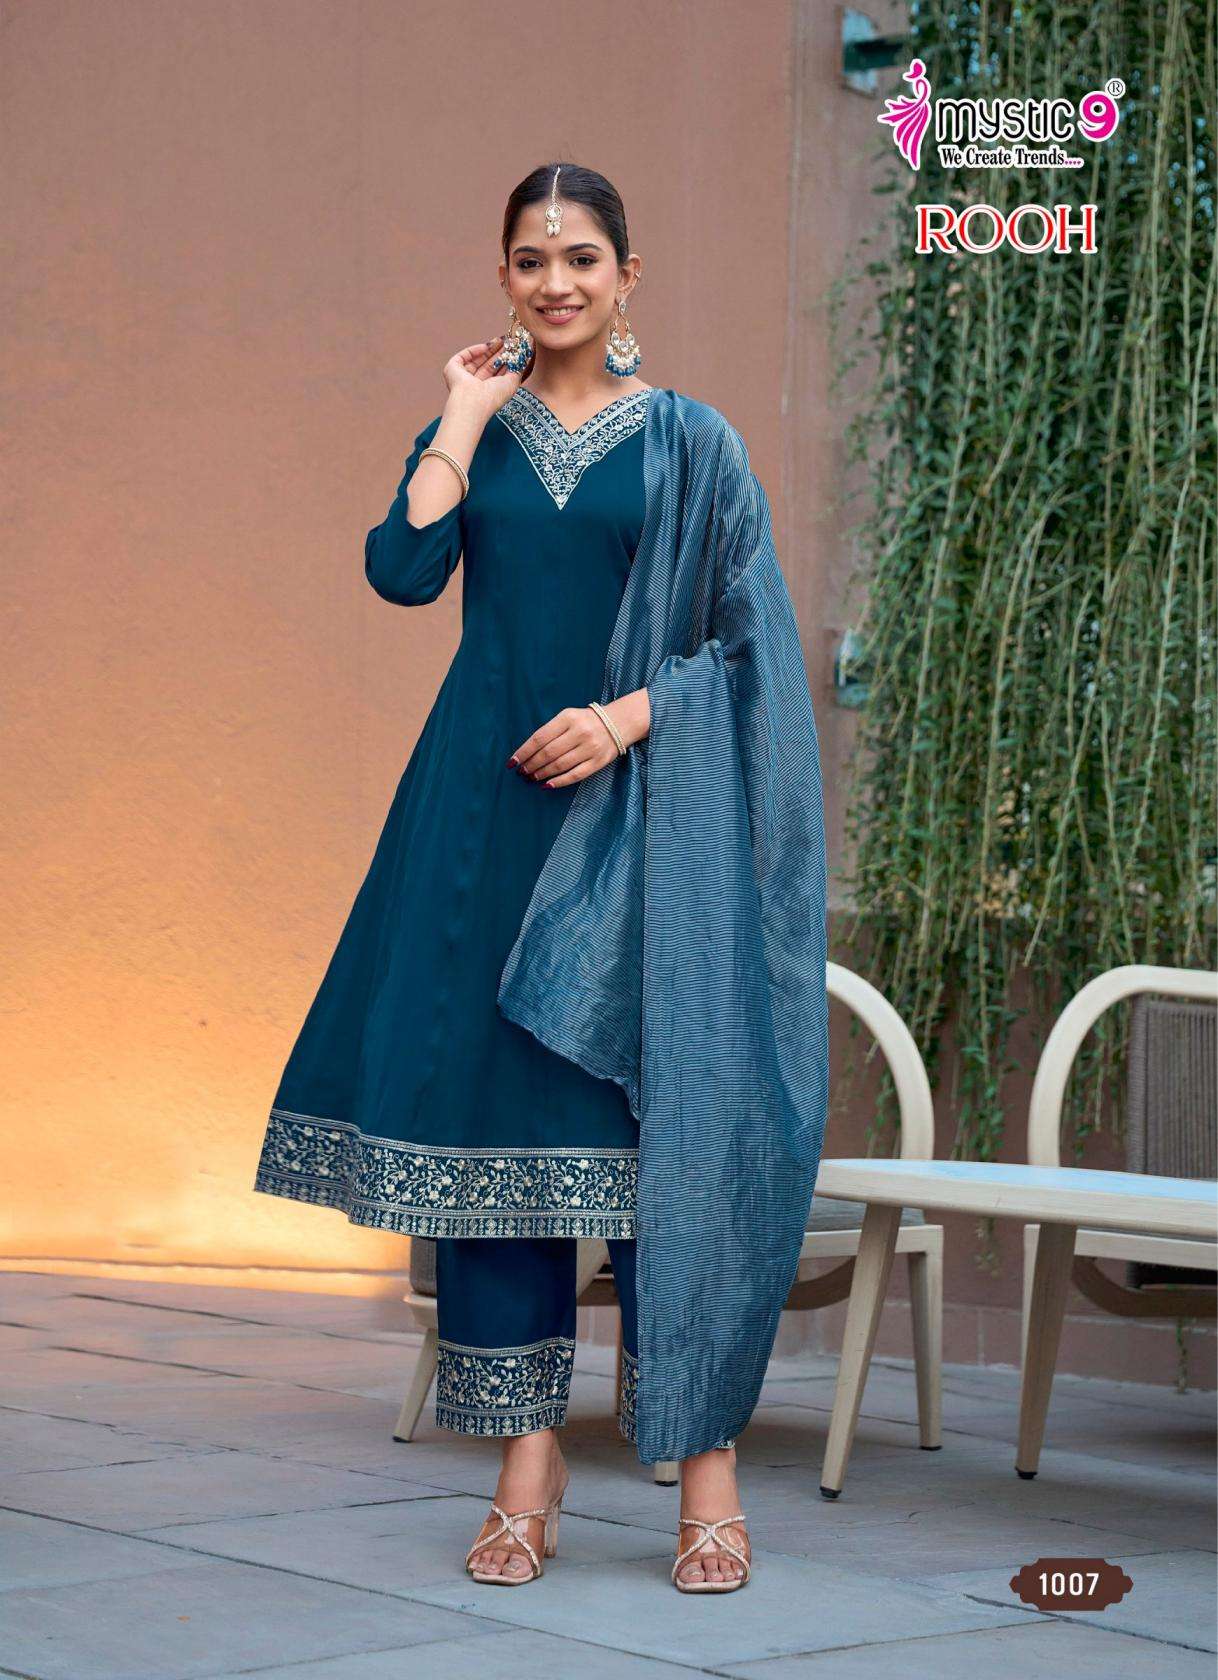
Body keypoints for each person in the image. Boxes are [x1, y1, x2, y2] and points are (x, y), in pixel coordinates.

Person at [253, 162, 828, 1596]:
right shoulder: (476, 433)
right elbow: (401, 571)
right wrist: (458, 414)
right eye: (528, 260)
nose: (555, 282)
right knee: (495, 1145)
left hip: (648, 830)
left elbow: (752, 648)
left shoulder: (693, 443)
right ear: (502, 278)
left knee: (661, 1138)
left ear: (628, 276)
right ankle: (527, 1462)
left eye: (580, 258)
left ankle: (705, 1464)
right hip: (482, 818)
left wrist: (629, 718)